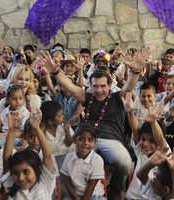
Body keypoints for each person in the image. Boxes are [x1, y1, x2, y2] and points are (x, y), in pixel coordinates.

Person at [38, 48, 150, 200]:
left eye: (103, 86)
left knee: (125, 163)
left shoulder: (118, 97)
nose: (99, 90)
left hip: (111, 141)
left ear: (110, 86)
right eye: (95, 86)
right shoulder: (87, 96)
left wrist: (135, 72)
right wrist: (56, 72)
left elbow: (129, 87)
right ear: (90, 86)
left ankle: (115, 191)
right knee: (66, 163)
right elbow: (70, 86)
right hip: (85, 138)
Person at [0, 109, 56, 200]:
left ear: (38, 170)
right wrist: (12, 130)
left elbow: (48, 156)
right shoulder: (11, 184)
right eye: (16, 173)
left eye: (26, 172)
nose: (21, 178)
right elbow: (6, 158)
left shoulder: (44, 183)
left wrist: (37, 128)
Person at [122, 92, 169, 200]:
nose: (145, 144)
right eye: (143, 139)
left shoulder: (164, 154)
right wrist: (130, 113)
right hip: (131, 197)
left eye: (152, 141)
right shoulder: (140, 151)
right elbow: (135, 129)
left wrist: (153, 123)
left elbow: (161, 139)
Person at [61, 123, 106, 200]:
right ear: (75, 141)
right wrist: (75, 197)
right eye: (81, 139)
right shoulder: (69, 157)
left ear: (95, 143)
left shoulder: (97, 160)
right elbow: (66, 181)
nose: (86, 143)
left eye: (90, 140)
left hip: (94, 195)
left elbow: (92, 185)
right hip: (74, 195)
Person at [0, 65, 41, 134]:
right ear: (12, 80)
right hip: (4, 136)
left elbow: (30, 129)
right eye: (20, 79)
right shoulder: (3, 102)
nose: (23, 82)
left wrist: (5, 136)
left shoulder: (35, 99)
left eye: (27, 80)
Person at [0, 84, 30, 151]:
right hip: (4, 137)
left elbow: (23, 132)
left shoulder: (24, 112)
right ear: (7, 100)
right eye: (14, 99)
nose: (18, 101)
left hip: (17, 138)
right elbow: (0, 126)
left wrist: (4, 135)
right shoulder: (5, 111)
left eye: (20, 98)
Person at [41, 101, 74, 170]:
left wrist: (67, 131)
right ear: (50, 121)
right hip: (51, 161)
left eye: (62, 114)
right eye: (59, 116)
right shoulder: (41, 131)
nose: (63, 117)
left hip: (67, 158)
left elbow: (69, 143)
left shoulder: (64, 126)